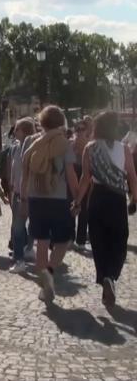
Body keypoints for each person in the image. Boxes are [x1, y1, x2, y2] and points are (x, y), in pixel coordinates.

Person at [21, 105, 81, 302]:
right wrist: (78, 198)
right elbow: (71, 176)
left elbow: (25, 175)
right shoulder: (64, 144)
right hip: (58, 198)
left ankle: (45, 288)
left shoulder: (32, 143)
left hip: (36, 198)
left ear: (42, 123)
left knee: (41, 242)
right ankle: (49, 269)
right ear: (61, 122)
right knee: (63, 241)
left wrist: (23, 199)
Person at [80, 111, 137, 307]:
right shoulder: (124, 149)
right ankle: (111, 276)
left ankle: (104, 276)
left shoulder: (90, 148)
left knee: (98, 241)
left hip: (97, 198)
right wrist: (134, 199)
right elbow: (131, 176)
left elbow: (85, 178)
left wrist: (77, 201)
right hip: (116, 199)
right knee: (119, 241)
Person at [6, 118, 37, 273]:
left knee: (30, 225)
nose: (14, 131)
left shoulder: (34, 147)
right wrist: (11, 185)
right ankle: (19, 256)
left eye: (17, 129)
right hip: (17, 192)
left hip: (32, 193)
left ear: (24, 130)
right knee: (17, 226)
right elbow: (14, 169)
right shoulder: (15, 148)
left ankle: (25, 253)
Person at [71, 118, 93, 248]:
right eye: (77, 129)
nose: (78, 131)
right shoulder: (71, 144)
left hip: (85, 175)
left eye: (81, 129)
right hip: (73, 174)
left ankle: (80, 239)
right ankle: (71, 236)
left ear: (87, 131)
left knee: (84, 207)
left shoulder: (90, 144)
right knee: (73, 204)